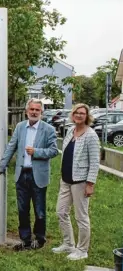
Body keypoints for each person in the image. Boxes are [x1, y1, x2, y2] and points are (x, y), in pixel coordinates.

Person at [0, 98, 58, 251]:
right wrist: (1, 167)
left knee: (39, 210)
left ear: (41, 112)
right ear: (26, 111)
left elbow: (54, 150)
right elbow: (11, 147)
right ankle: (26, 240)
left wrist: (37, 152)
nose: (34, 112)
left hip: (38, 175)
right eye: (32, 109)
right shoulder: (20, 127)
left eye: (37, 110)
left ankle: (40, 239)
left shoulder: (48, 129)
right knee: (22, 210)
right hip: (21, 174)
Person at [52, 103, 100, 260]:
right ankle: (68, 244)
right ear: (72, 115)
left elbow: (94, 162)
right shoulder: (71, 131)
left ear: (87, 116)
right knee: (61, 212)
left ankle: (82, 250)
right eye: (77, 113)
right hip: (66, 180)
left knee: (81, 217)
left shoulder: (91, 135)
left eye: (83, 113)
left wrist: (90, 184)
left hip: (80, 182)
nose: (79, 115)